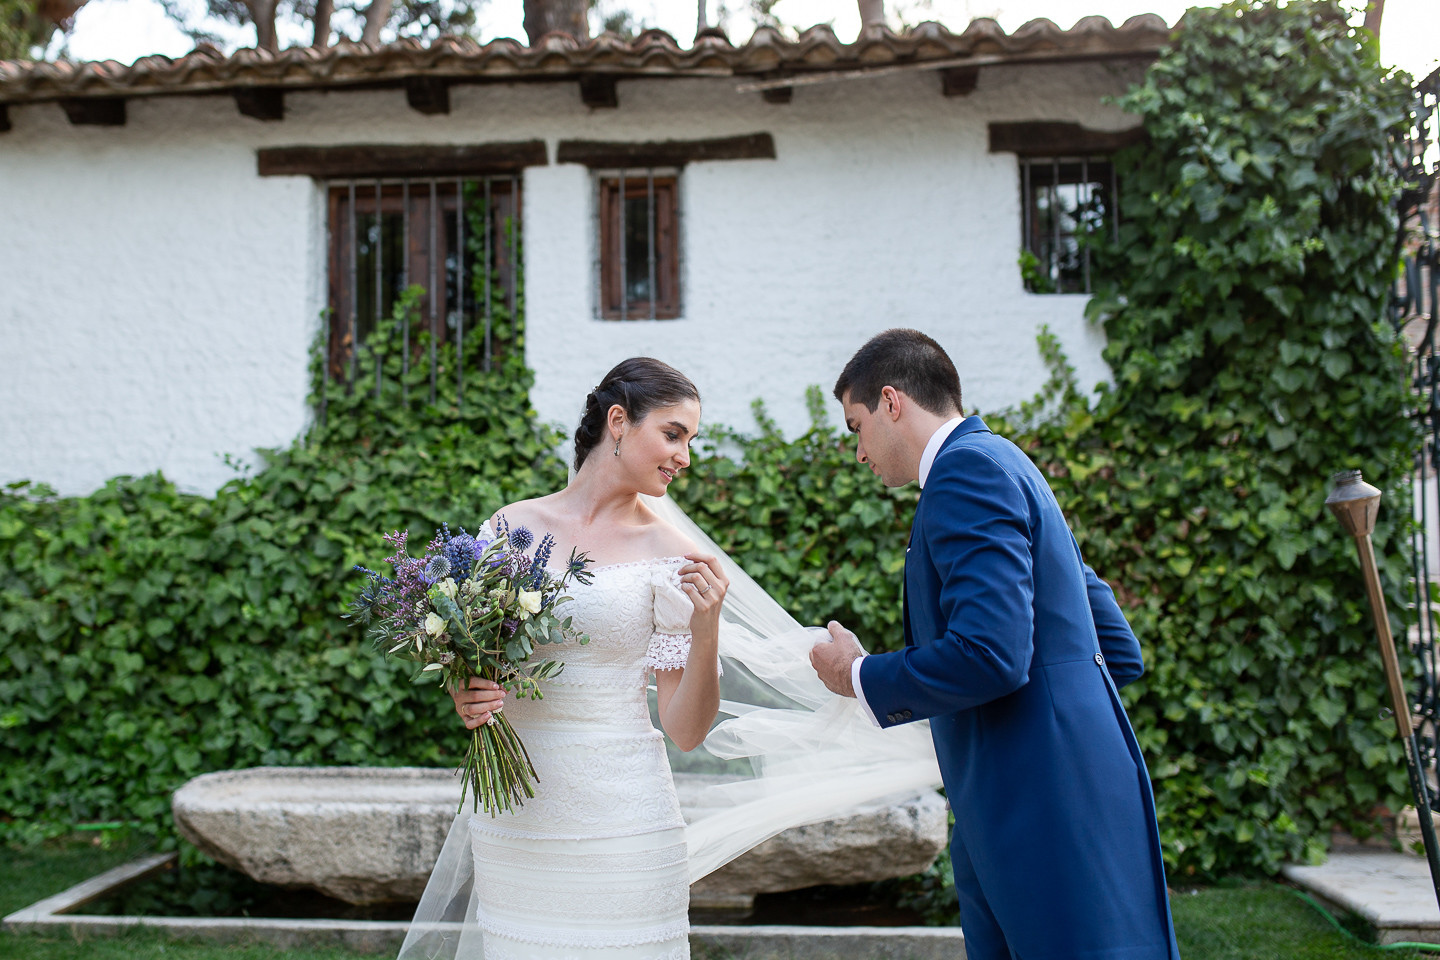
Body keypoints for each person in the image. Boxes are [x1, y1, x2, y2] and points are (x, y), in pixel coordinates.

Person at [809, 328, 1180, 960]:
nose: (859, 451)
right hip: (1059, 784)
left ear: (892, 402)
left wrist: (859, 674)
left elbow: (991, 654)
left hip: (1037, 802)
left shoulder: (964, 477)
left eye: (856, 426)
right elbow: (1115, 646)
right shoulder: (1007, 462)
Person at [411, 356, 729, 959]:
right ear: (618, 421)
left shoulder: (673, 555)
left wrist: (707, 629)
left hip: (623, 814)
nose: (685, 456)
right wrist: (469, 693)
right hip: (518, 815)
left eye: (690, 440)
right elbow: (477, 664)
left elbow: (685, 731)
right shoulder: (509, 528)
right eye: (673, 433)